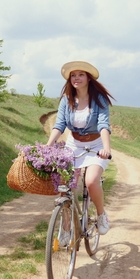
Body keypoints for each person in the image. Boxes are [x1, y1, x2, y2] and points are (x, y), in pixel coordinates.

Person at [46, 60, 115, 237]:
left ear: (88, 78)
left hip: (96, 145)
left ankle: (101, 215)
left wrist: (106, 148)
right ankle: (67, 228)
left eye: (81, 75)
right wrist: (48, 145)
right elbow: (59, 125)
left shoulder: (98, 99)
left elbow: (103, 125)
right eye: (73, 75)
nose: (76, 78)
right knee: (65, 185)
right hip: (74, 145)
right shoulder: (66, 100)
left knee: (91, 181)